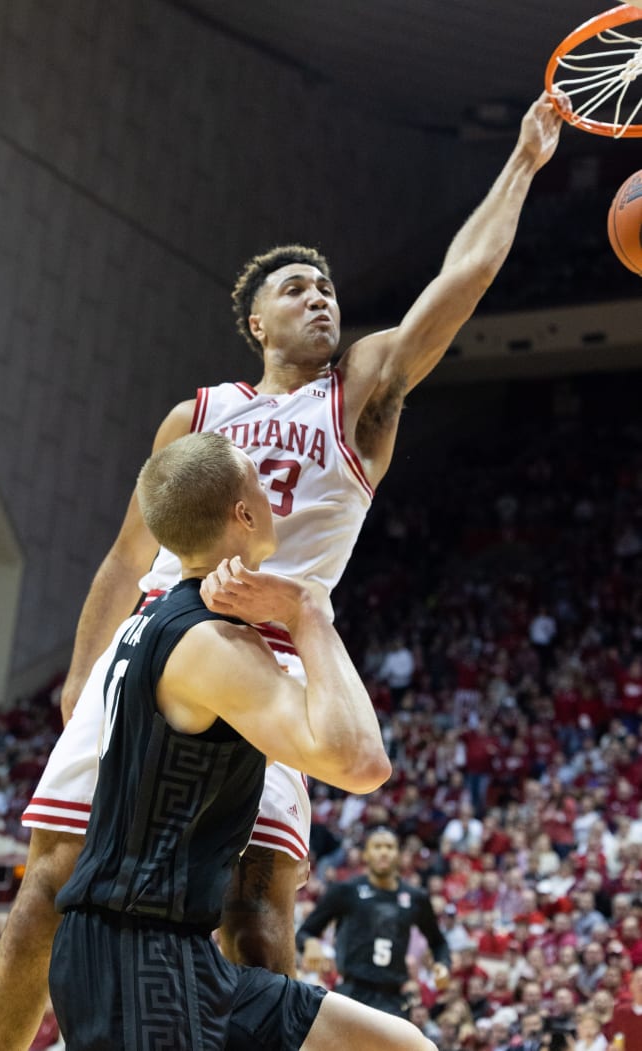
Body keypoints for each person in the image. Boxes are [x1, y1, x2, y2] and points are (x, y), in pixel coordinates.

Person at [0, 90, 567, 1051]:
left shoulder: (364, 392)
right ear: (255, 321)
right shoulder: (194, 416)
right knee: (44, 890)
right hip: (157, 647)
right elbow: (126, 558)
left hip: (267, 656)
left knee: (258, 918)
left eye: (327, 286)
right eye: (296, 288)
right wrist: (82, 678)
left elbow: (462, 277)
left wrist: (524, 164)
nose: (320, 295)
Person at [48, 430, 437, 1051]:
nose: (274, 492)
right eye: (260, 480)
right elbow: (361, 761)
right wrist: (307, 612)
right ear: (245, 513)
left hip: (180, 954)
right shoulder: (211, 645)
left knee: (401, 1045)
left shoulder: (157, 619)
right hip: (130, 952)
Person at [295, 827, 450, 1016]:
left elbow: (439, 942)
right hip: (351, 992)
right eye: (377, 847)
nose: (383, 852)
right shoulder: (345, 891)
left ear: (399, 855)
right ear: (366, 855)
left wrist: (443, 964)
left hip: (393, 998)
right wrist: (310, 943)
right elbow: (304, 932)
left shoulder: (416, 897)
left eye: (389, 847)